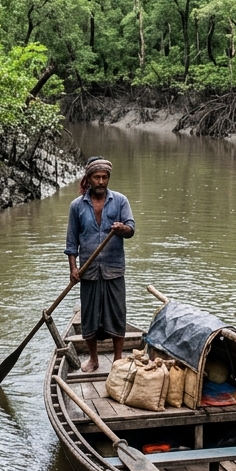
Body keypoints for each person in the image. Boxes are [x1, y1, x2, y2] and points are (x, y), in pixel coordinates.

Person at [65, 156, 135, 372]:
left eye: (105, 177)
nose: (101, 182)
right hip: (89, 270)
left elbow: (131, 229)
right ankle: (94, 360)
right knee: (90, 317)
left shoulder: (120, 201)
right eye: (97, 177)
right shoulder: (77, 206)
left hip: (114, 269)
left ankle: (116, 360)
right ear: (89, 178)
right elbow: (71, 242)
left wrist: (122, 229)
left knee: (116, 314)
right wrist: (74, 269)